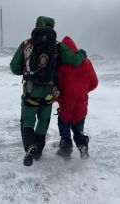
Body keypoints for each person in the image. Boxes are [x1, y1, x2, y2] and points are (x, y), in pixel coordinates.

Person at [10, 16, 87, 166]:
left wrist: (27, 71)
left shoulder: (26, 45)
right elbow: (75, 60)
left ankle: (30, 145)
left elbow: (14, 68)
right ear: (52, 27)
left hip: (30, 92)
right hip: (48, 92)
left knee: (28, 120)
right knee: (43, 121)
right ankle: (38, 151)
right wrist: (82, 54)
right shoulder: (58, 46)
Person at [56, 36, 98, 160]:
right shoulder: (86, 62)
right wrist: (83, 91)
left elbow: (59, 87)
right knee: (78, 126)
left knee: (63, 123)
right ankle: (82, 144)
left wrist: (59, 98)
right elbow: (94, 82)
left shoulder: (62, 66)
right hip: (81, 102)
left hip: (67, 102)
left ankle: (66, 147)